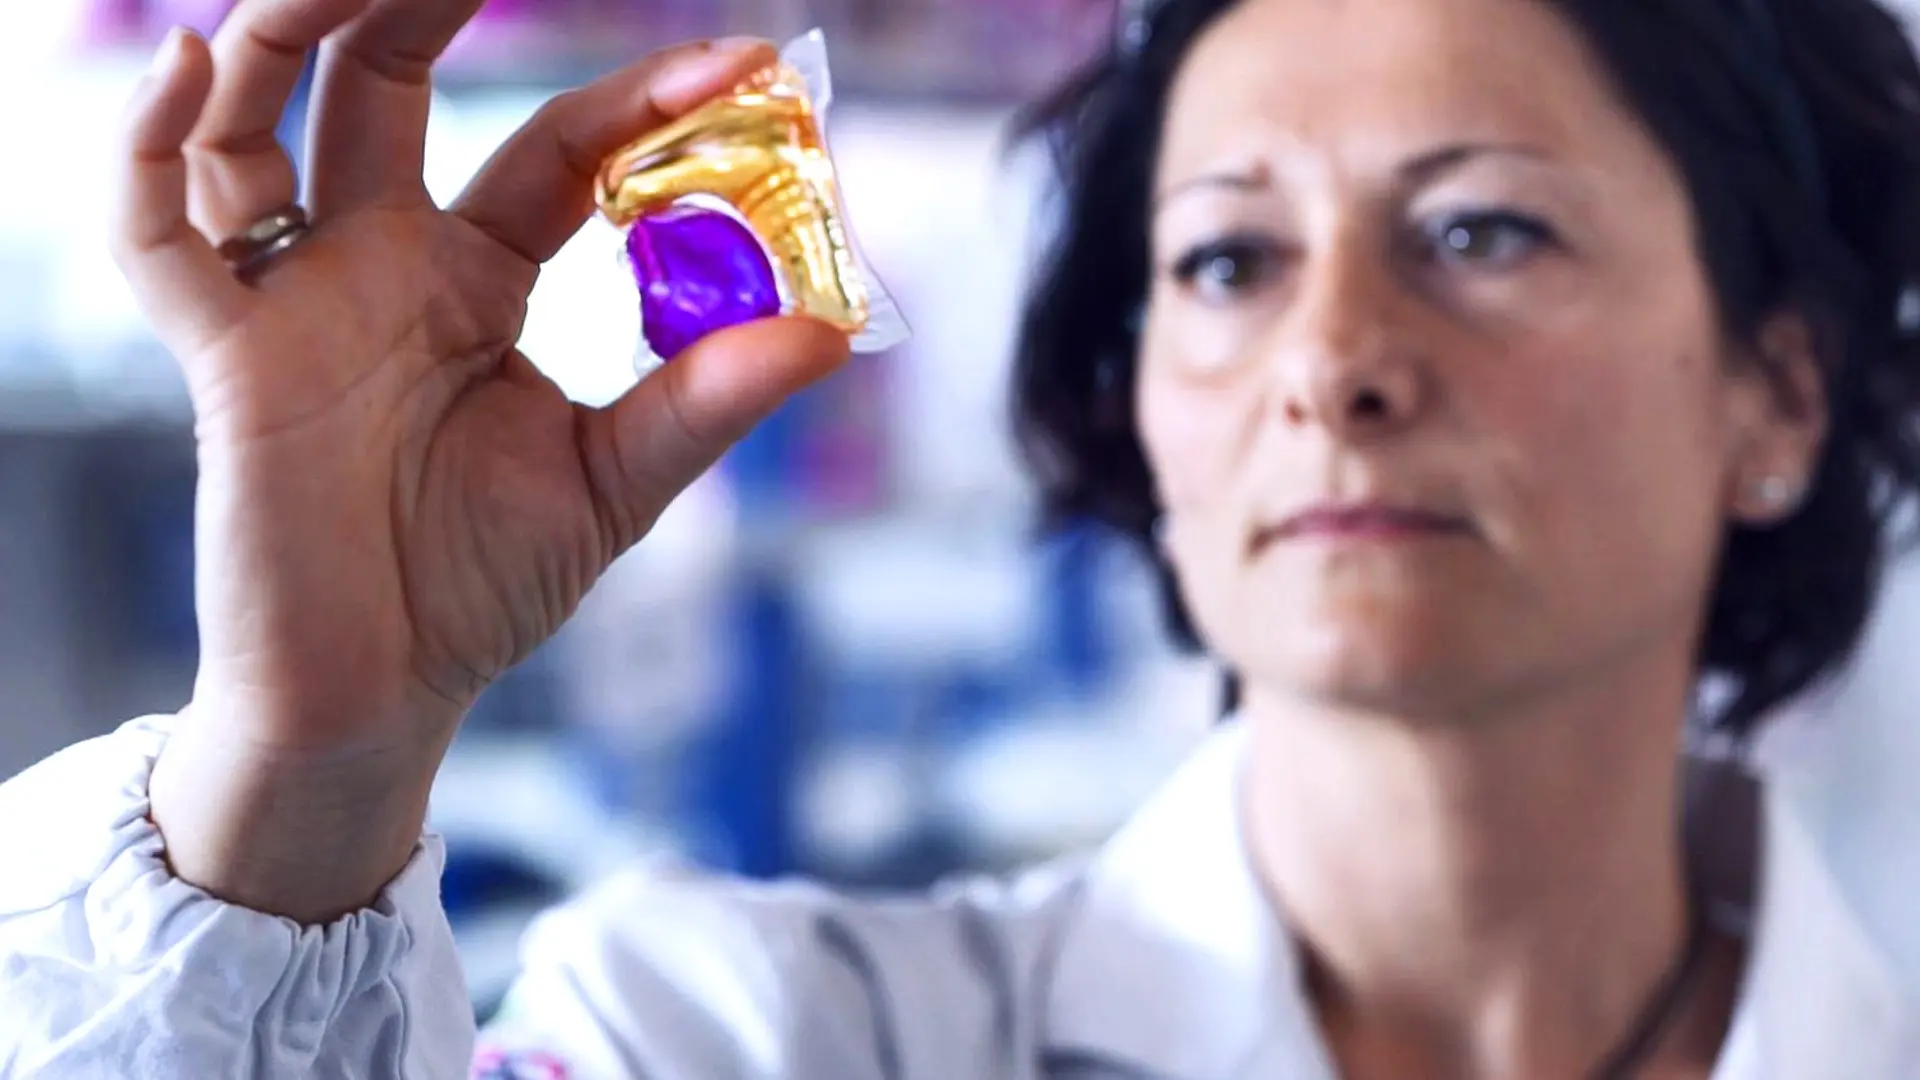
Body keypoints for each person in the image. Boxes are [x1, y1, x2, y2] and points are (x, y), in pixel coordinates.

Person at [3, 0, 1919, 1074]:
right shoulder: (736, 1037)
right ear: (1142, 392)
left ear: (1779, 392)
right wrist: (309, 769)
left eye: (1482, 229)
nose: (1330, 360)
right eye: (1229, 260)